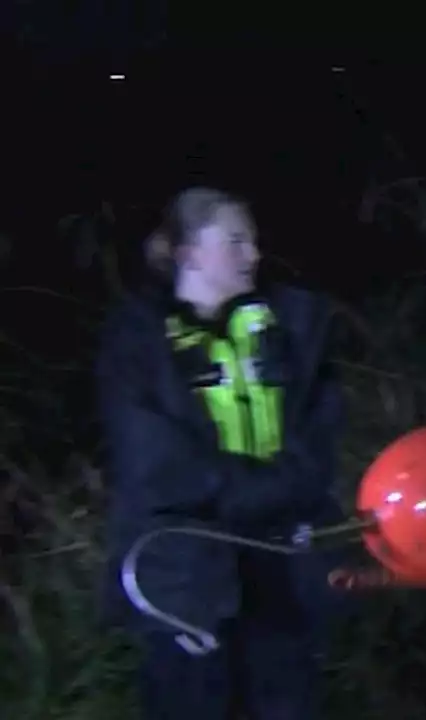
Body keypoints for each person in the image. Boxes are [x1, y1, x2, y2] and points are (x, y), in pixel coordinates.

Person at [96, 187, 346, 720]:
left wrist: (277, 497)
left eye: (253, 241)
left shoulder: (293, 331)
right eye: (235, 241)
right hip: (187, 582)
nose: (253, 255)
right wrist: (272, 491)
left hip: (285, 571)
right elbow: (157, 469)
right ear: (188, 254)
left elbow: (320, 445)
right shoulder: (138, 344)